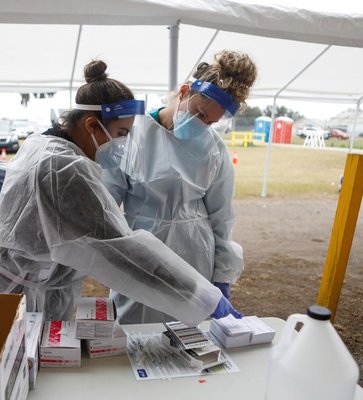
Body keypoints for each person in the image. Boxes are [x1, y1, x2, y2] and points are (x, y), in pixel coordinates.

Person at [0, 60, 241, 325]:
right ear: (91, 125)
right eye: (121, 133)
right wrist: (204, 298)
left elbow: (221, 214)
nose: (123, 144)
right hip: (16, 296)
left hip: (28, 284)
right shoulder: (64, 170)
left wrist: (215, 282)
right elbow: (120, 248)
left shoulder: (46, 146)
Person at [102, 50, 257, 324]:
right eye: (199, 113)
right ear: (184, 91)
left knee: (188, 337)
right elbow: (105, 201)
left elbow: (222, 218)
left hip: (194, 255)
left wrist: (222, 277)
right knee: (135, 331)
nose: (202, 125)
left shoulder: (214, 150)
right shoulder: (133, 136)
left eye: (211, 122)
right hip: (143, 254)